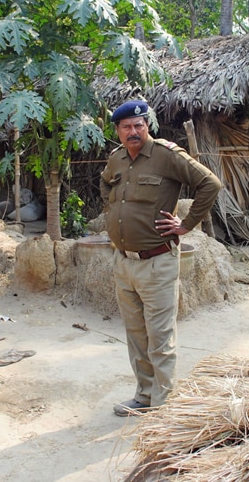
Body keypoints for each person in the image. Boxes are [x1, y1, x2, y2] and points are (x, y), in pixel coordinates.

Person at [100, 100, 221, 416]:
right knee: (136, 335)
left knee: (160, 337)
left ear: (147, 126)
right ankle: (144, 395)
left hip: (158, 262)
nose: (133, 131)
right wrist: (115, 214)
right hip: (124, 263)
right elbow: (105, 185)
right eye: (126, 127)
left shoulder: (167, 155)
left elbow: (210, 183)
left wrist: (186, 224)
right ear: (118, 131)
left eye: (139, 125)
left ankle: (164, 406)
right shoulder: (116, 160)